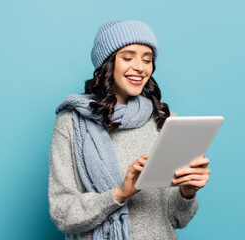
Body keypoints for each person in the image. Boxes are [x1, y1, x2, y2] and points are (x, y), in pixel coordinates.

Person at [48, 19, 211, 240]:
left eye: (147, 60)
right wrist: (120, 193)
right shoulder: (72, 122)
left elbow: (177, 219)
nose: (140, 67)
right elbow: (62, 212)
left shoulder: (164, 120)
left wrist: (187, 192)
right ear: (107, 63)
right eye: (127, 57)